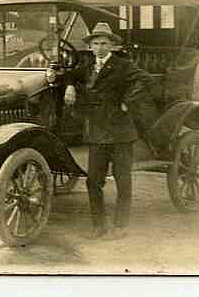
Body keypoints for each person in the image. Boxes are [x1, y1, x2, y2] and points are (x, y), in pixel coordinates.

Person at [64, 21, 155, 240]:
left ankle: (121, 226)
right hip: (97, 133)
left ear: (112, 45)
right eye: (96, 43)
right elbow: (71, 75)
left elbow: (146, 80)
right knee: (93, 181)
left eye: (104, 43)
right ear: (91, 46)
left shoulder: (123, 65)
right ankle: (99, 226)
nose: (100, 48)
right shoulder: (87, 67)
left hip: (120, 133)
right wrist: (69, 85)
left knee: (123, 181)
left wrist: (127, 101)